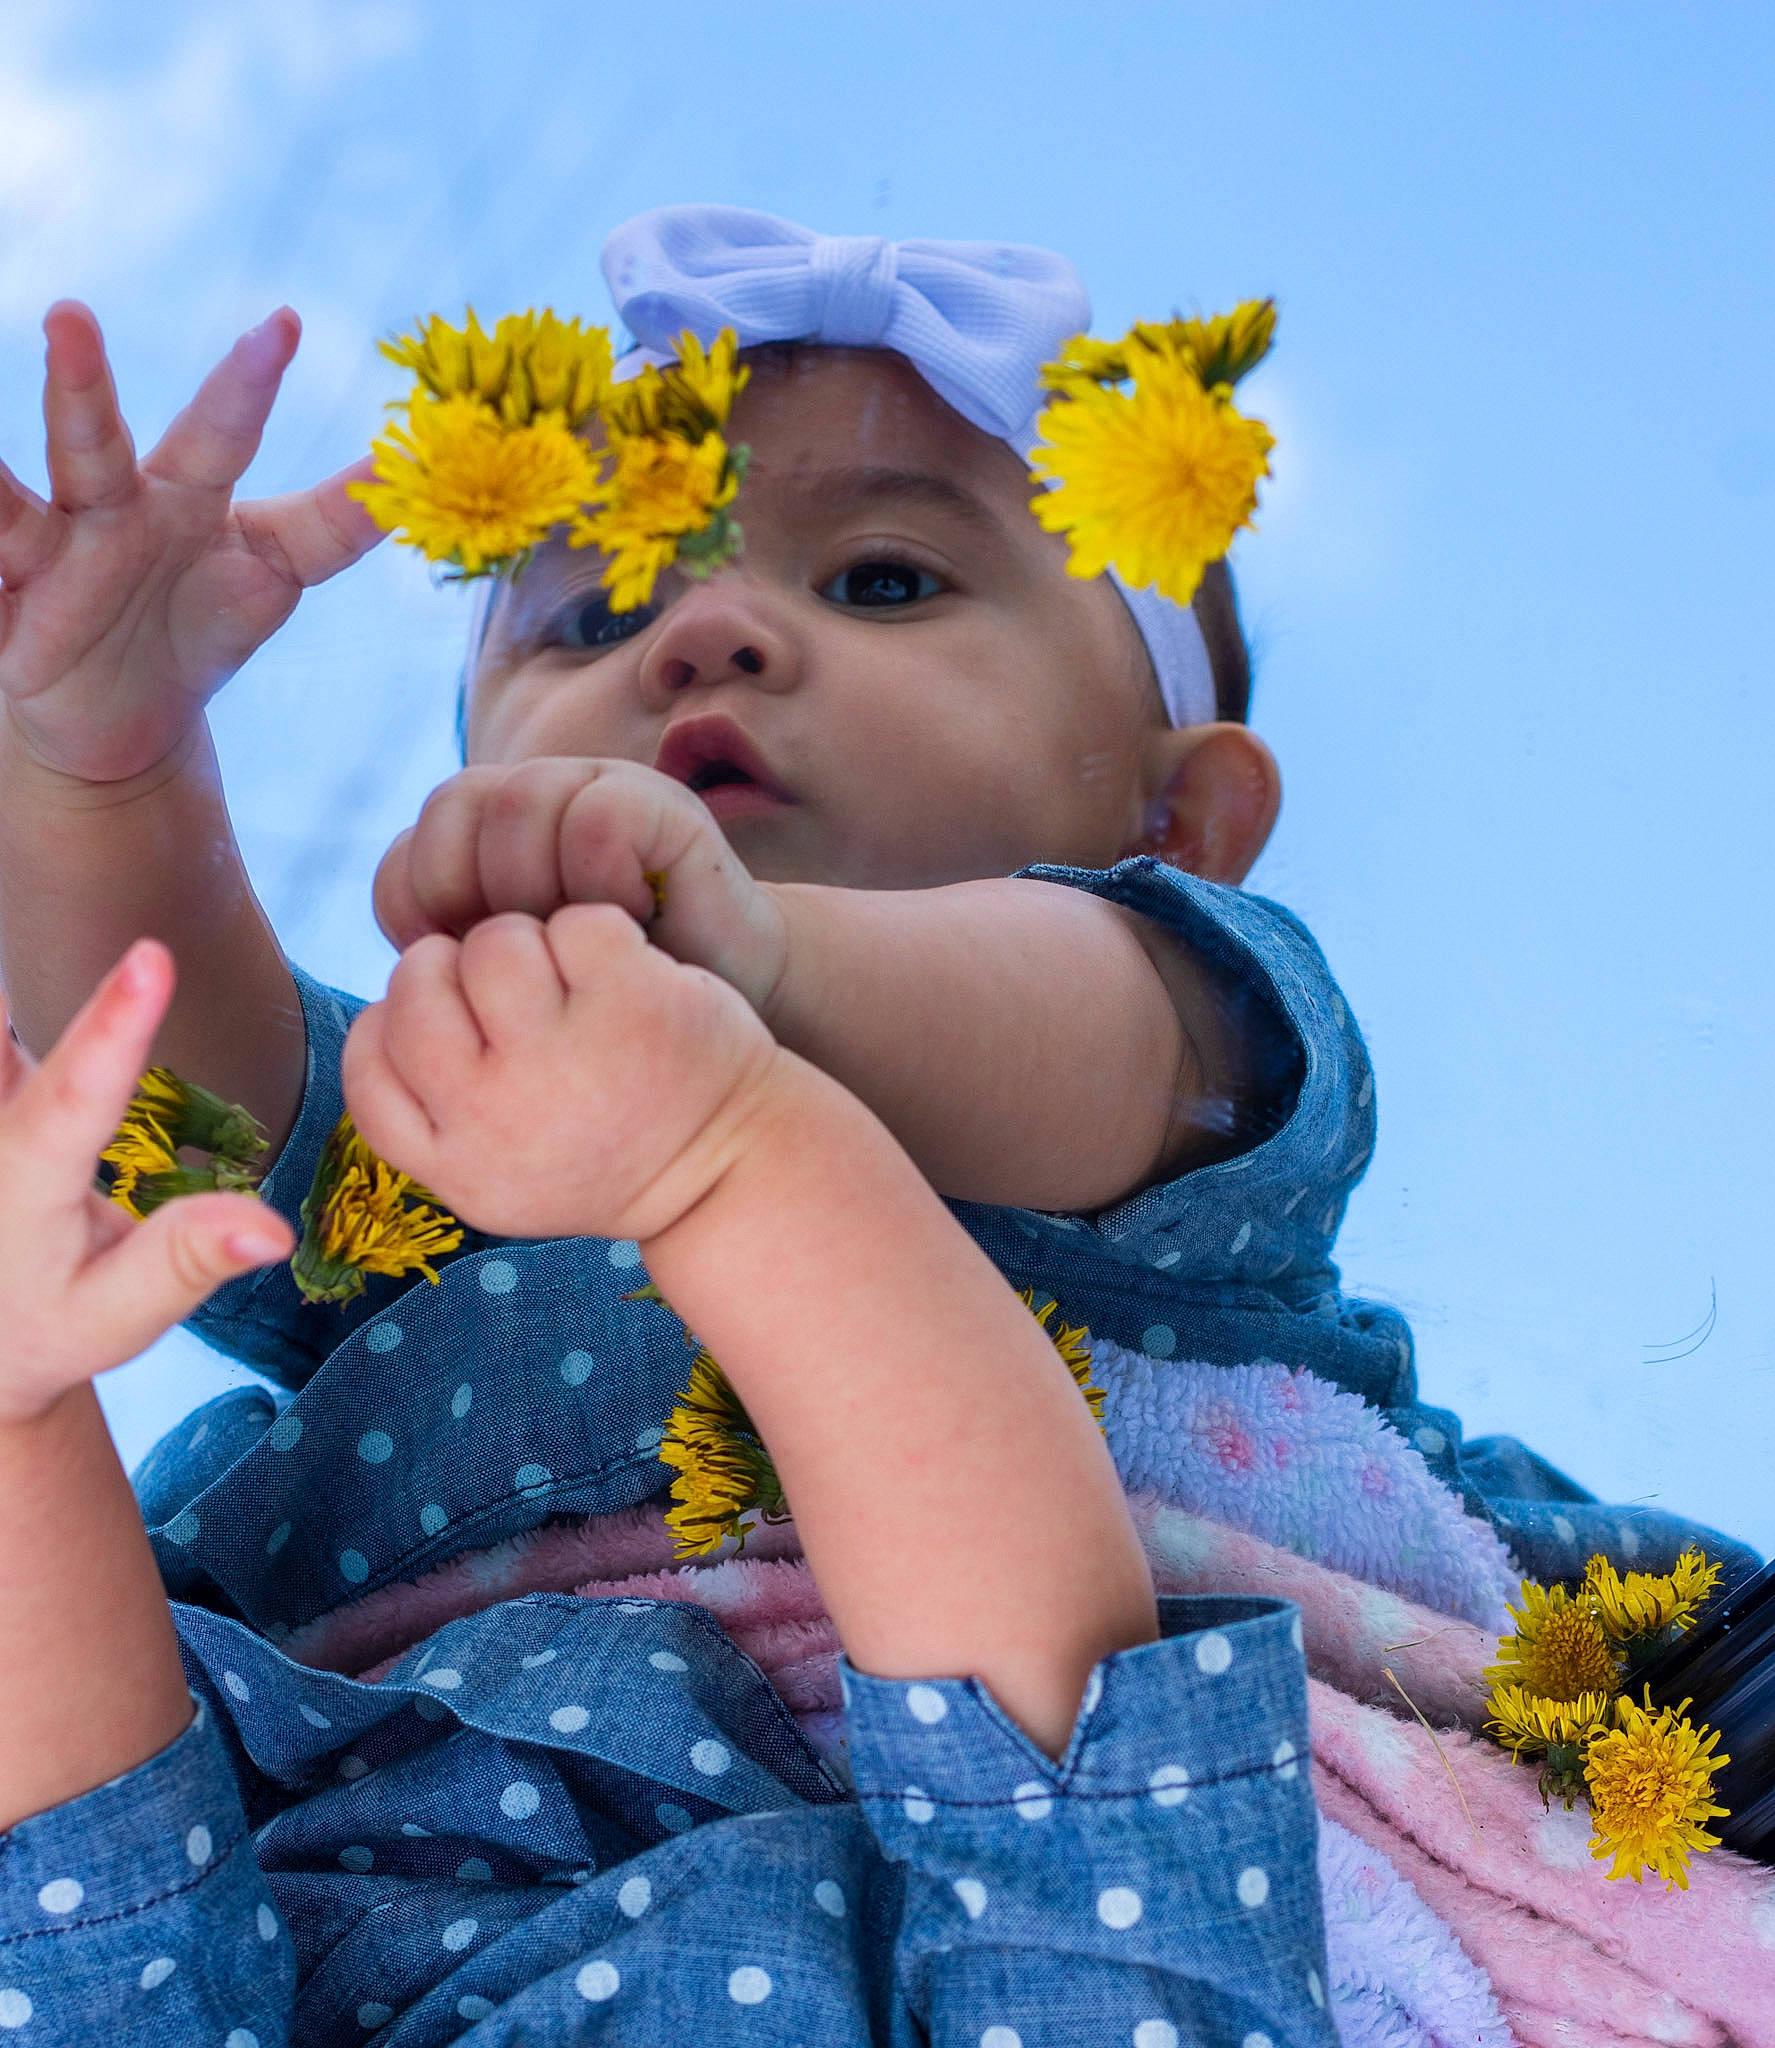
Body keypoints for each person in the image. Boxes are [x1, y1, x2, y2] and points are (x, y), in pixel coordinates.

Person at [0, 205, 1750, 2040]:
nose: (705, 634)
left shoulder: (1160, 1022)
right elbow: (177, 1125)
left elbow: (1091, 1024)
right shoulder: (453, 1153)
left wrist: (754, 974)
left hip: (1065, 1789)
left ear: (1177, 819)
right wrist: (102, 764)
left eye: (887, 580)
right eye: (594, 612)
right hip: (420, 1874)